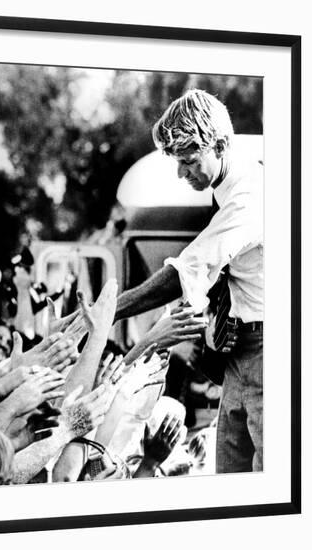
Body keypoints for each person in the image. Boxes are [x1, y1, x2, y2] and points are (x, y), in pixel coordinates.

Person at [115, 89, 263, 473]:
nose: (183, 174)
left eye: (190, 162)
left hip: (267, 354)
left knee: (269, 484)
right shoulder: (227, 191)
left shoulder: (249, 196)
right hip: (238, 356)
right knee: (231, 476)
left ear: (221, 144)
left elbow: (187, 270)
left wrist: (109, 313)